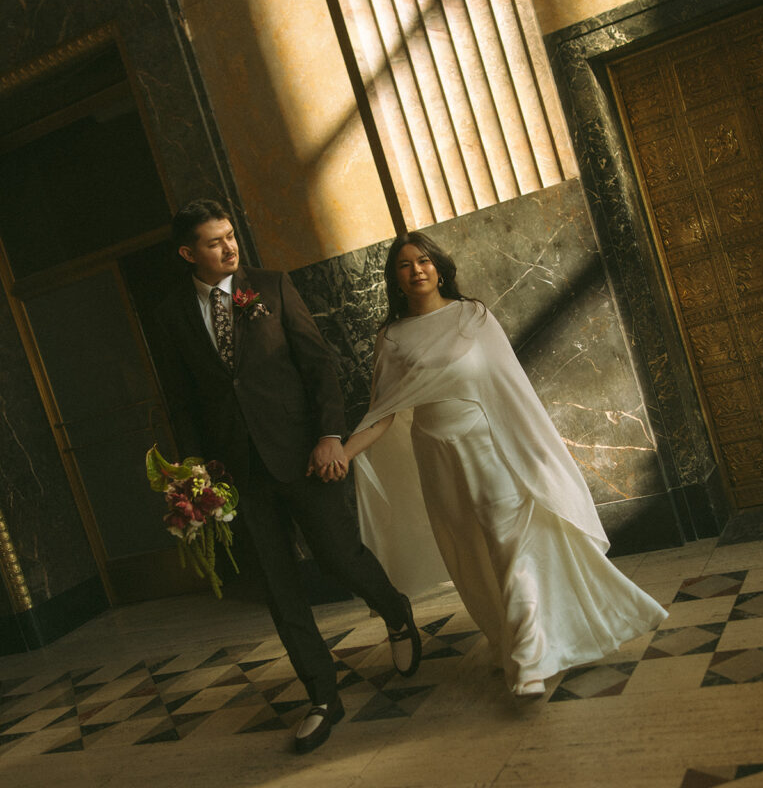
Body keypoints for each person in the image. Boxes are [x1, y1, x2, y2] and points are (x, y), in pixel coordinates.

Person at [329, 231, 668, 698]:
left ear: (439, 267)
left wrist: (536, 451)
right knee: (471, 554)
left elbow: (513, 389)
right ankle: (512, 641)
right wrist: (344, 453)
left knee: (512, 545)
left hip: (489, 446)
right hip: (437, 456)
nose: (417, 270)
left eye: (424, 260)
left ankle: (530, 660)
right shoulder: (392, 337)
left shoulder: (473, 316)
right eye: (405, 265)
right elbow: (383, 410)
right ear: (395, 279)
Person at [154, 200, 421, 753]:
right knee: (279, 586)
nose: (230, 248)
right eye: (214, 242)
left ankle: (395, 611)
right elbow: (182, 399)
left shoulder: (271, 288)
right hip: (237, 475)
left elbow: (317, 363)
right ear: (187, 254)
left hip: (303, 453)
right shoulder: (173, 314)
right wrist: (196, 468)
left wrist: (330, 435)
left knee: (338, 556)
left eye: (231, 236)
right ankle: (323, 695)